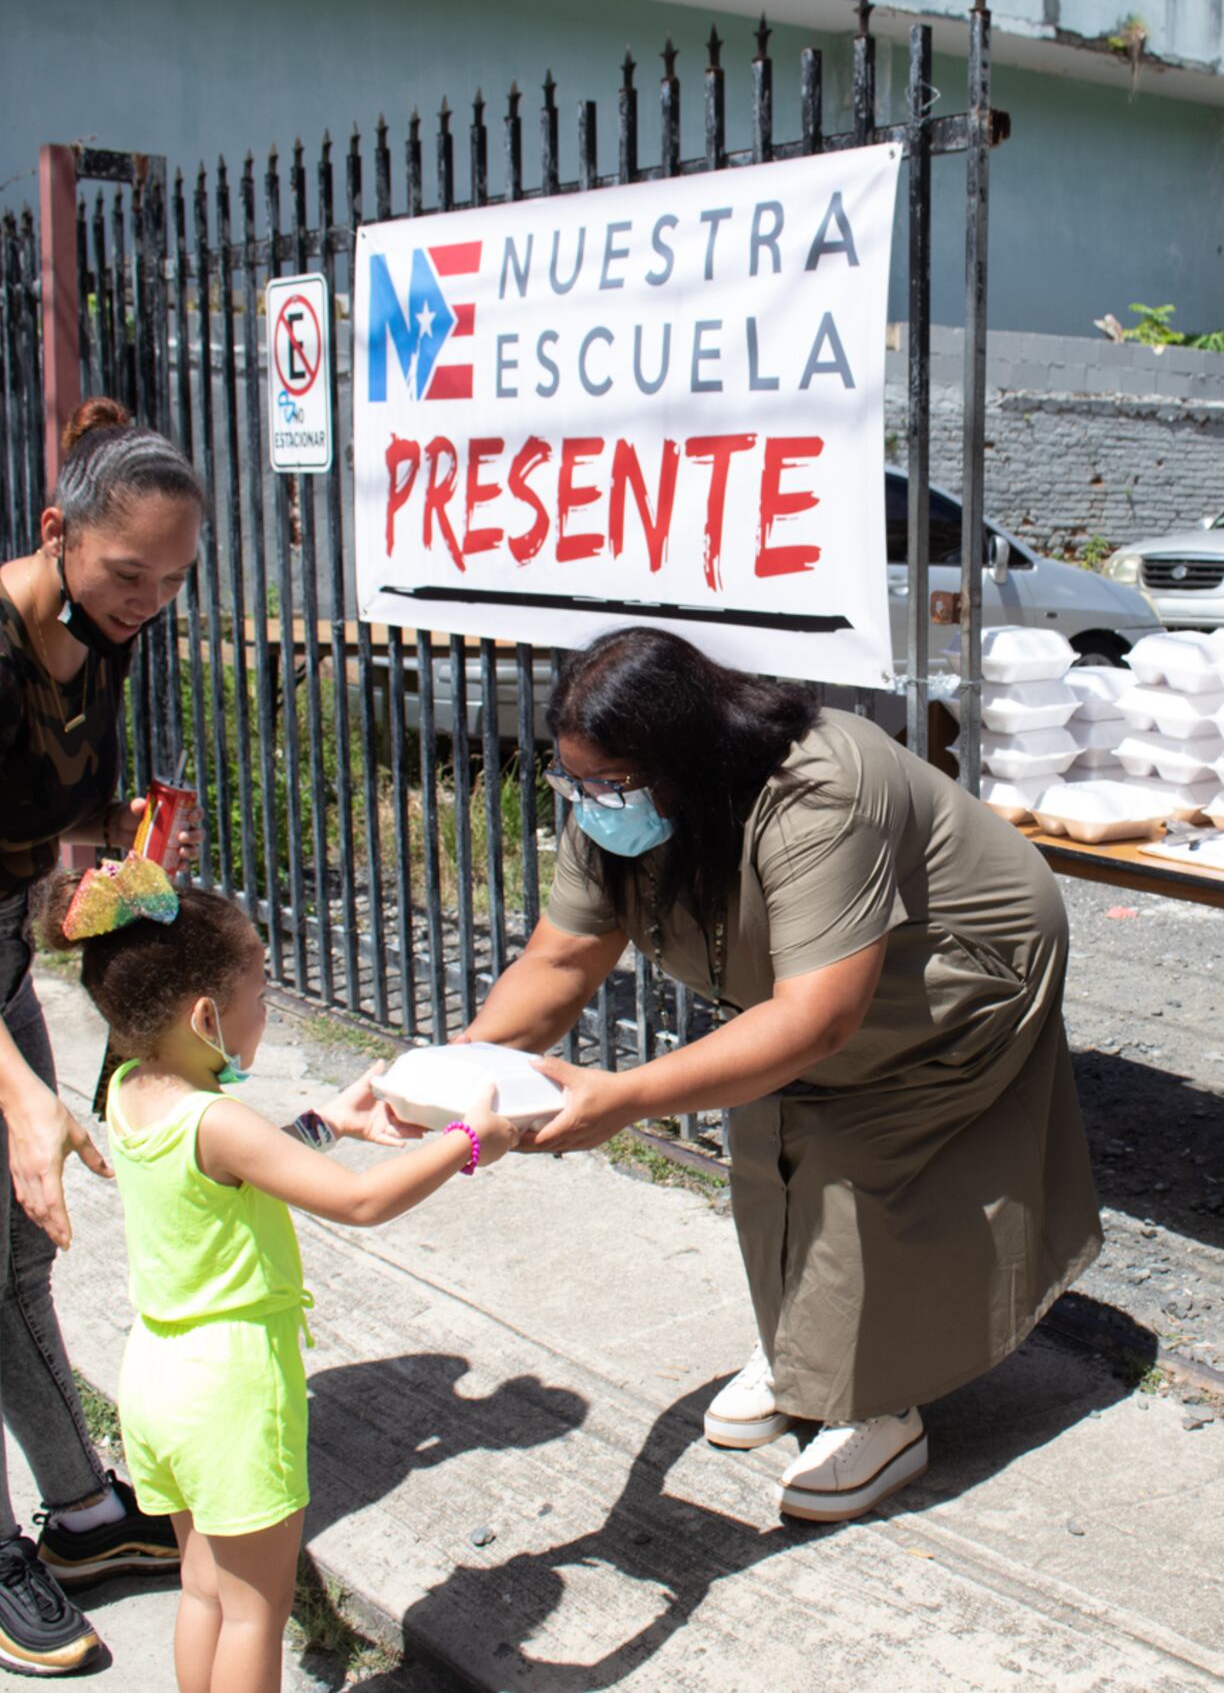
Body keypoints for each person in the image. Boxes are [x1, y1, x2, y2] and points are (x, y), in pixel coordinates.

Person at [0, 398, 378, 1675]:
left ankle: (88, 1516)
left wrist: (124, 878)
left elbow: (29, 868)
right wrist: (27, 1098)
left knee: (20, 1269)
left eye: (173, 577)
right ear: (57, 533)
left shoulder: (100, 636)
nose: (150, 598)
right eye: (127, 571)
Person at [460, 627, 1101, 1523]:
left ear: (690, 756)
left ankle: (878, 1402)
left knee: (869, 1152)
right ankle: (807, 1350)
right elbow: (560, 964)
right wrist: (460, 1066)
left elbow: (818, 1019)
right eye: (575, 782)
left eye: (611, 785)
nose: (593, 804)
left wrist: (625, 1097)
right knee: (767, 1127)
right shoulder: (613, 807)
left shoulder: (817, 787)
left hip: (956, 963)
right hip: (827, 979)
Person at [35, 864, 520, 1693]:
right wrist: (471, 1140)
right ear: (204, 1015)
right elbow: (362, 1201)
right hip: (232, 1389)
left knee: (202, 1589)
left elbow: (233, 1174)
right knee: (257, 1610)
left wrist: (325, 1121)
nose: (269, 1009)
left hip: (157, 1376)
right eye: (261, 993)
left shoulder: (127, 1091)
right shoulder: (216, 1118)